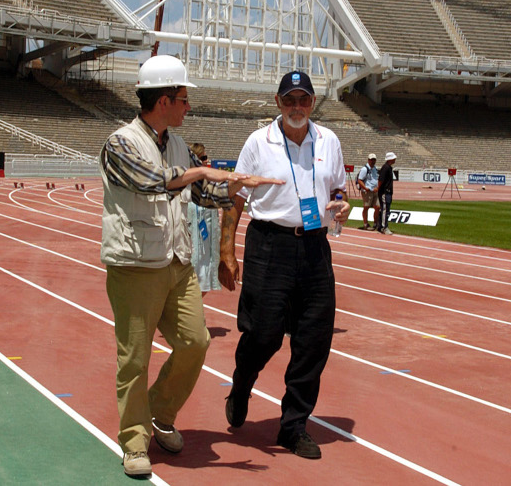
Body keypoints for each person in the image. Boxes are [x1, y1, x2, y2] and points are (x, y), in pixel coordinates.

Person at [99, 55, 281, 478]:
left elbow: (199, 195)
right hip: (135, 264)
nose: (187, 107)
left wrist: (239, 191)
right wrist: (201, 171)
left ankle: (160, 413)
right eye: (183, 99)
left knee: (195, 342)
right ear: (163, 100)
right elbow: (150, 180)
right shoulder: (120, 142)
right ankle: (134, 441)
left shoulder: (176, 143)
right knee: (135, 357)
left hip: (176, 261)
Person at [219, 70, 350, 460]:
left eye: (304, 100)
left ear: (312, 104)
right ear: (277, 102)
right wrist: (227, 252)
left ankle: (293, 426)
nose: (297, 107)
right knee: (264, 333)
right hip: (269, 246)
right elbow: (236, 197)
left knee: (313, 339)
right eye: (289, 99)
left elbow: (339, 188)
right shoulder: (259, 142)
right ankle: (242, 383)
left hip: (314, 248)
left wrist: (343, 203)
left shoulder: (329, 140)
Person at [187, 143, 222, 293]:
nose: (206, 161)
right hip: (190, 245)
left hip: (207, 245)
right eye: (203, 158)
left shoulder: (209, 185)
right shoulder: (183, 185)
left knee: (204, 284)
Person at [374, 151, 397, 235]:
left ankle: (380, 226)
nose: (395, 159)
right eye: (393, 158)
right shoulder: (386, 167)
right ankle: (384, 227)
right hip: (385, 192)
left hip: (388, 192)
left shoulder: (389, 167)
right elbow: (381, 179)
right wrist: (378, 188)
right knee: (385, 210)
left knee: (384, 209)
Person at [355, 153, 379, 230]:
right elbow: (360, 180)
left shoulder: (375, 168)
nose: (373, 161)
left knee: (377, 207)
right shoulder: (364, 169)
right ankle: (366, 224)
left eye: (374, 160)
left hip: (375, 190)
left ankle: (375, 223)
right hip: (367, 191)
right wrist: (365, 188)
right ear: (368, 160)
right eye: (371, 160)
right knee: (366, 207)